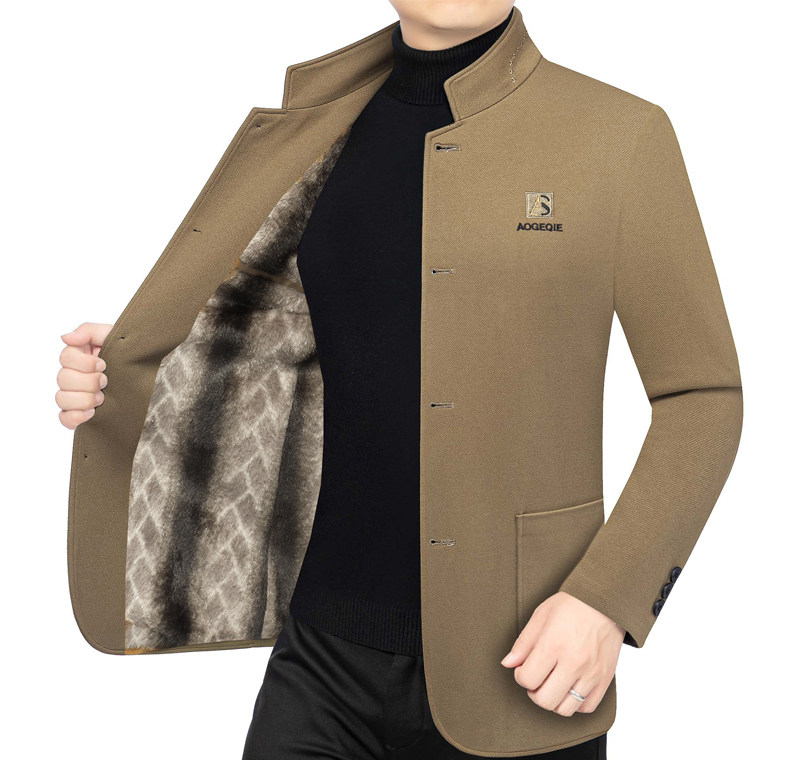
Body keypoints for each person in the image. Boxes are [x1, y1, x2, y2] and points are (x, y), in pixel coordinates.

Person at [56, 2, 742, 759]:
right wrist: (136, 371)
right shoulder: (317, 123)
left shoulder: (620, 134)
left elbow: (701, 396)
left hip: (524, 669)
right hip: (319, 661)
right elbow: (287, 338)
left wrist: (607, 599)